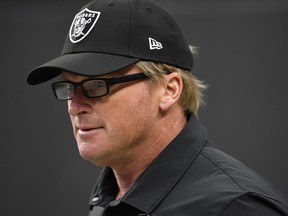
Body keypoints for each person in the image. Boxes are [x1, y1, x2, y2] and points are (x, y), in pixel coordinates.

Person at [27, 0, 288, 215]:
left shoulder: (234, 207)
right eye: (70, 87)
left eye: (96, 85)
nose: (75, 106)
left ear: (169, 90)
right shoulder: (110, 196)